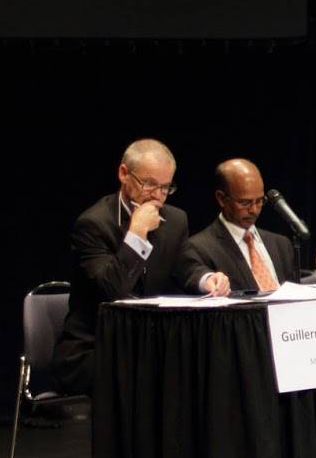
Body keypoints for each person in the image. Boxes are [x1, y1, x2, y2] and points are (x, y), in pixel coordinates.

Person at [51, 138, 212, 395]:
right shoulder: (93, 225)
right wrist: (136, 235)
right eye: (149, 184)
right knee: (154, 376)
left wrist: (207, 279)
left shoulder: (175, 219)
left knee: (198, 366)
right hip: (94, 348)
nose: (158, 196)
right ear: (124, 173)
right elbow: (112, 289)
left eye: (166, 187)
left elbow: (187, 265)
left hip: (146, 344)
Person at [180, 158, 300, 293]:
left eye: (260, 201)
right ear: (221, 198)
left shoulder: (281, 245)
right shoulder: (199, 248)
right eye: (244, 202)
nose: (254, 210)